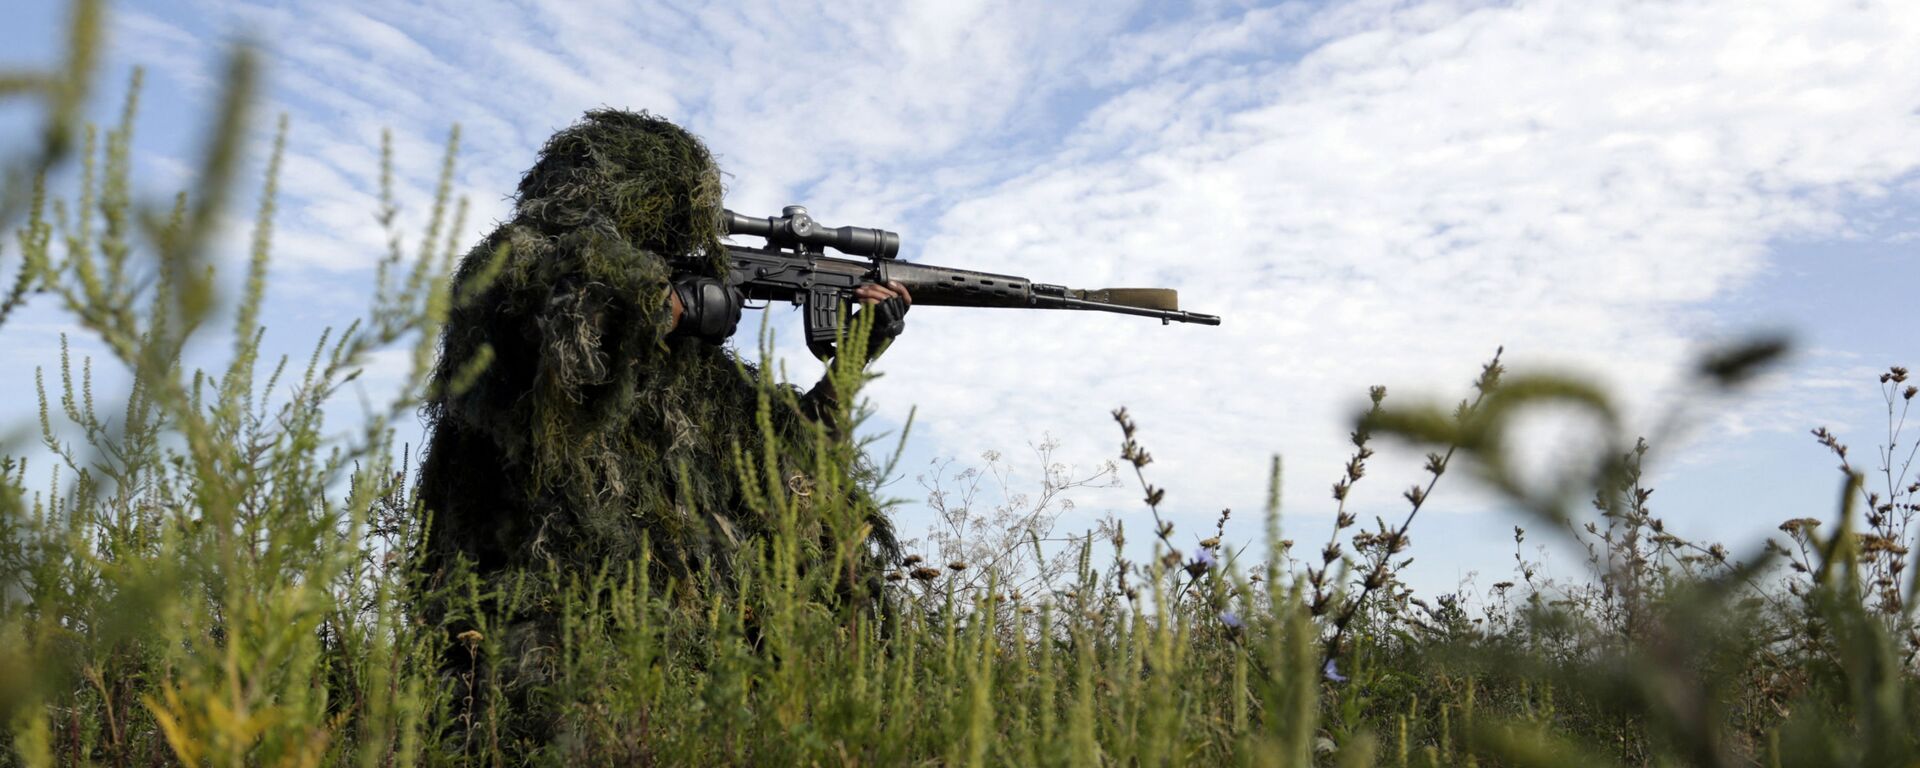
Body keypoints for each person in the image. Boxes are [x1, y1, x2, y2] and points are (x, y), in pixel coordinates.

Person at [411, 109, 905, 746]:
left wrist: (853, 361)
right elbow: (567, 349)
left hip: (661, 661)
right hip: (539, 638)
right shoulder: (517, 265)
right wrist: (667, 309)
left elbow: (783, 467)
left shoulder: (693, 374)